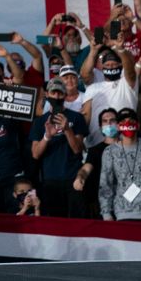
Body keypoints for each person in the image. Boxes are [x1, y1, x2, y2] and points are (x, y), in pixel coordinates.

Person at [30, 78, 88, 217]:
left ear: (65, 95)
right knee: (54, 224)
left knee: (75, 221)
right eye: (53, 93)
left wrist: (67, 130)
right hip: (50, 179)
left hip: (72, 178)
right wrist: (47, 137)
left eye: (60, 93)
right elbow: (35, 154)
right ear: (47, 95)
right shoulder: (39, 122)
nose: (56, 97)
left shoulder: (76, 117)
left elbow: (78, 149)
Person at [97, 109, 141, 222]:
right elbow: (106, 184)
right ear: (118, 126)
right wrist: (106, 214)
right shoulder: (109, 151)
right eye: (123, 121)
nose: (127, 124)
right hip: (123, 213)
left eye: (131, 120)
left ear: (138, 125)